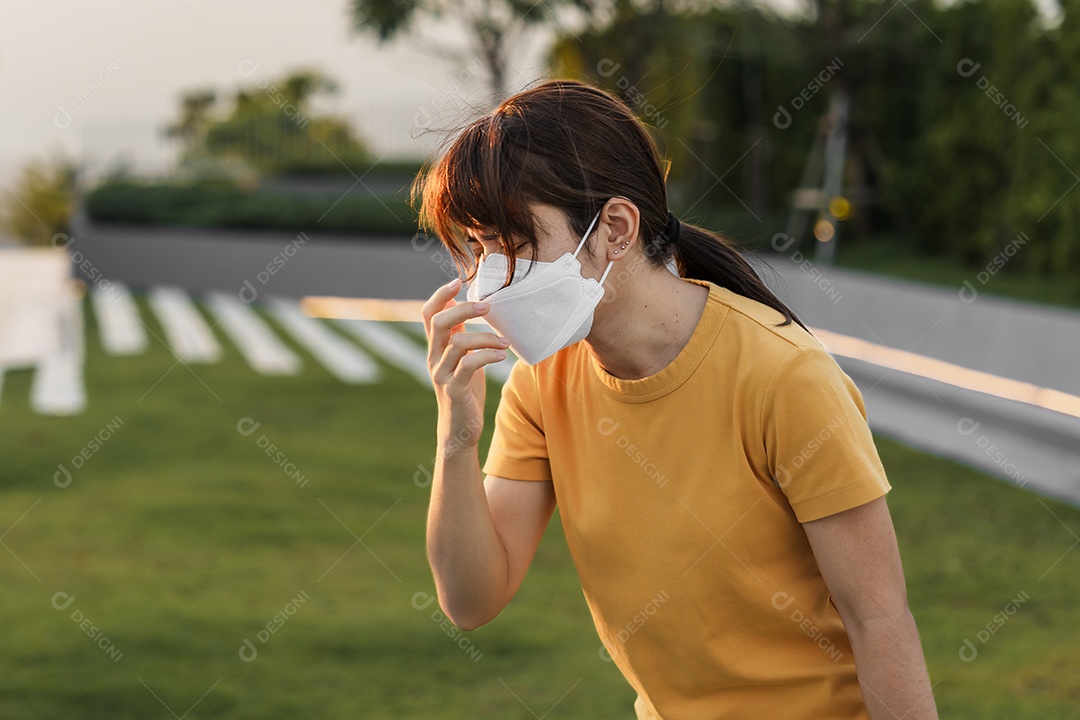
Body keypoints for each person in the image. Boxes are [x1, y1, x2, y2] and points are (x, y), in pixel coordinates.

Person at [416, 78, 938, 720]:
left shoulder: (783, 377)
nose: (487, 279)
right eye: (477, 248)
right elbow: (471, 601)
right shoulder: (541, 382)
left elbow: (879, 621)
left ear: (614, 228)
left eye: (514, 244)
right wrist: (456, 433)